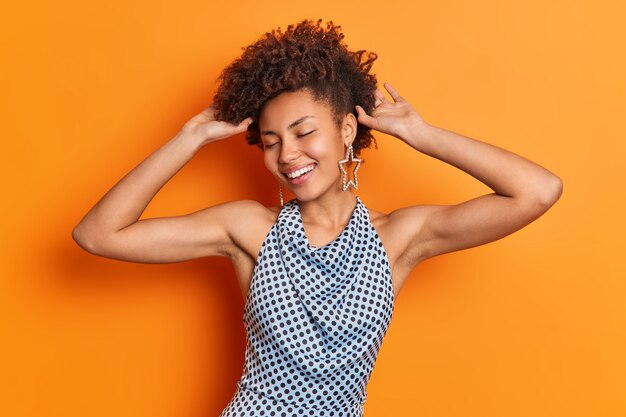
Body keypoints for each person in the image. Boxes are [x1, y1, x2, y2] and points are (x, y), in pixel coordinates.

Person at [72, 18, 562, 417]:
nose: (288, 154)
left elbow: (538, 192)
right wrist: (190, 138)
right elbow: (98, 234)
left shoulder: (399, 236)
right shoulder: (248, 228)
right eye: (270, 141)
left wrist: (422, 134)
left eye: (304, 132)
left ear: (348, 128)